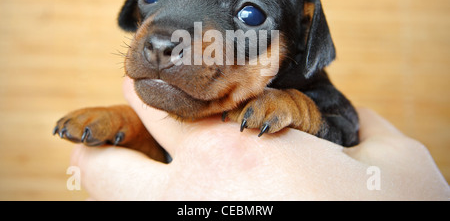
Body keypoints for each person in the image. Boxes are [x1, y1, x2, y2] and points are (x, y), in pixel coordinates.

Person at [70, 77, 450, 200]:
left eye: (249, 15)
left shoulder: (308, 91)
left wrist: (297, 109)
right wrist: (129, 125)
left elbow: (344, 126)